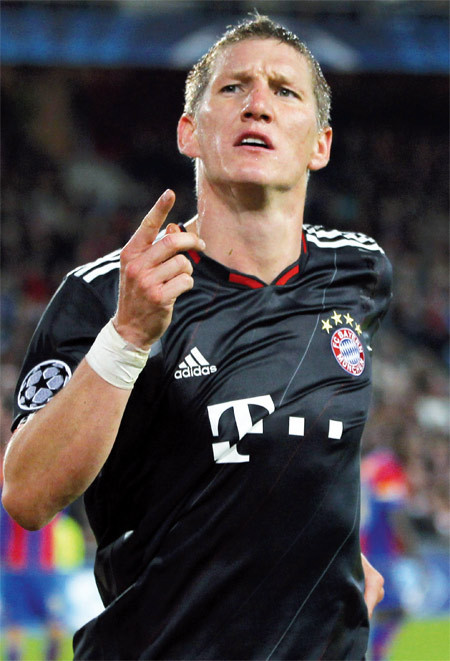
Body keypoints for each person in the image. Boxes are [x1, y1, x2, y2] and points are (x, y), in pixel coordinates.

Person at [3, 15, 390, 660]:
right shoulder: (106, 295)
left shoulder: (359, 273)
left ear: (319, 145)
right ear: (190, 132)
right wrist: (127, 336)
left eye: (284, 91)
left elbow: (308, 432)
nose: (258, 104)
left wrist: (337, 549)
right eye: (234, 88)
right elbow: (27, 495)